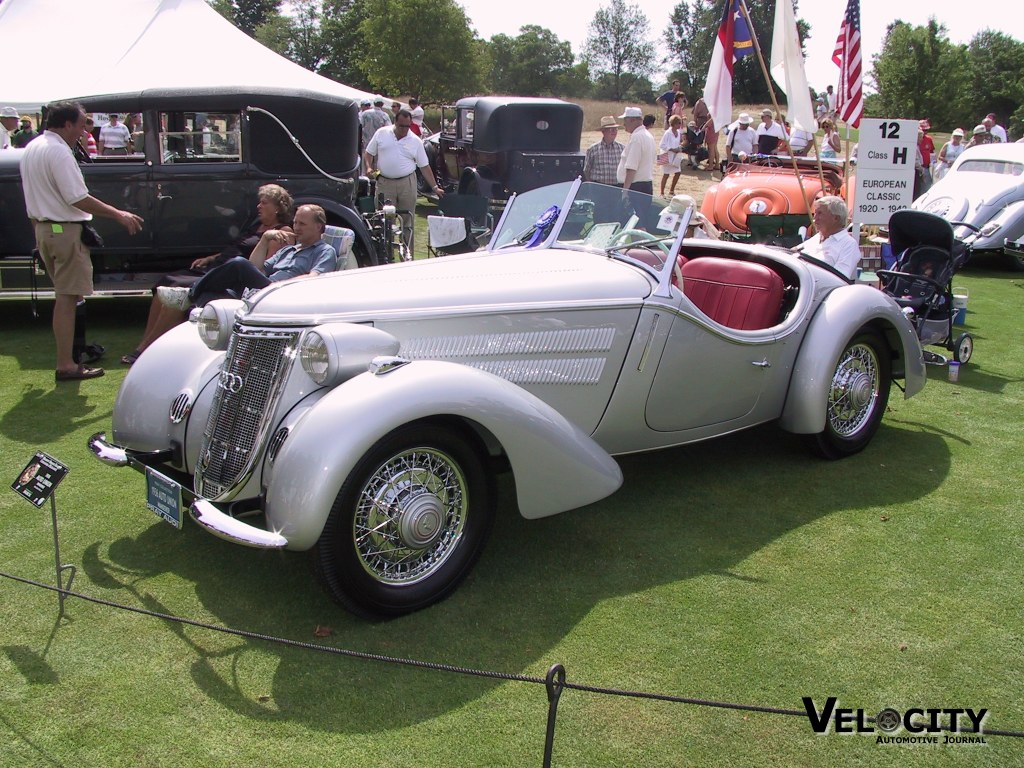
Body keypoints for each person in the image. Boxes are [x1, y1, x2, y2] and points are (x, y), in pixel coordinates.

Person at [20, 101, 143, 381]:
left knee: (68, 297)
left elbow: (33, 197)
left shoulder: (33, 147)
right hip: (63, 231)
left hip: (44, 230)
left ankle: (71, 357)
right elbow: (76, 197)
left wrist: (40, 236)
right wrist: (119, 214)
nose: (84, 129)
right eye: (80, 123)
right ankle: (66, 364)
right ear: (67, 124)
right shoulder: (59, 152)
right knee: (67, 298)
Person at [122, 184, 294, 364]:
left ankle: (143, 350)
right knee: (166, 283)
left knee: (177, 288)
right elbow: (237, 248)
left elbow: (262, 267)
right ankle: (147, 342)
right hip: (217, 266)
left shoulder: (281, 232)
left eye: (264, 203)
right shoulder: (257, 225)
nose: (259, 206)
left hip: (230, 276)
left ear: (277, 208)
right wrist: (211, 257)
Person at [157, 204, 335, 310]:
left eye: (302, 224)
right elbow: (256, 267)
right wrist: (265, 239)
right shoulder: (289, 249)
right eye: (295, 222)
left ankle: (189, 293)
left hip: (280, 293)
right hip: (259, 291)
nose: (296, 227)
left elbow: (314, 279)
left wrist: (280, 284)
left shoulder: (324, 251)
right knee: (210, 296)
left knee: (238, 264)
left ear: (319, 227)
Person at [363, 108, 444, 254]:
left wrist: (434, 187)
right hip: (385, 182)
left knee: (407, 221)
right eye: (402, 126)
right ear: (395, 122)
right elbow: (369, 153)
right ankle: (384, 256)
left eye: (408, 126)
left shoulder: (415, 141)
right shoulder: (382, 133)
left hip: (407, 183)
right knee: (383, 220)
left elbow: (424, 166)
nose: (405, 129)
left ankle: (407, 256)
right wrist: (369, 168)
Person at [616, 106, 656, 231]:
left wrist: (625, 191)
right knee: (640, 221)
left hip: (635, 187)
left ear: (633, 120)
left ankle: (638, 248)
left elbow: (631, 167)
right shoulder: (647, 135)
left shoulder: (637, 137)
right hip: (645, 185)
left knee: (636, 224)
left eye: (626, 120)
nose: (624, 124)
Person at [800, 196, 859, 279]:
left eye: (820, 213)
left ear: (836, 218)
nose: (814, 218)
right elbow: (794, 252)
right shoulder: (817, 237)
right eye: (815, 213)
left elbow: (840, 278)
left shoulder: (849, 244)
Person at [583, 116, 624, 185]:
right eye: (611, 129)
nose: (614, 132)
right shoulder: (593, 149)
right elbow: (587, 170)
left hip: (617, 188)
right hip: (598, 187)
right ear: (603, 131)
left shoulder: (622, 148)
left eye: (616, 129)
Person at [659, 115, 685, 197]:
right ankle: (662, 193)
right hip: (666, 155)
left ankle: (671, 191)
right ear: (673, 124)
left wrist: (680, 147)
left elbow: (680, 142)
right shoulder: (667, 133)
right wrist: (671, 149)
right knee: (666, 174)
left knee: (678, 173)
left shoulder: (678, 132)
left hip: (675, 157)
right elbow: (661, 145)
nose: (680, 125)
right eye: (678, 123)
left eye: (680, 123)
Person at [917, 119, 935, 194]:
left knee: (927, 187)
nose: (925, 132)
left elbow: (932, 152)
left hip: (927, 167)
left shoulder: (929, 139)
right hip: (918, 168)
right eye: (924, 130)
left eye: (927, 130)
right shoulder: (915, 139)